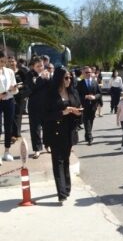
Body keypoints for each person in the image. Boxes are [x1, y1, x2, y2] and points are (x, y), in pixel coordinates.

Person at [44, 67, 82, 204]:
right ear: (59, 78)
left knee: (66, 159)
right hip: (55, 131)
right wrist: (63, 112)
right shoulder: (50, 94)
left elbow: (79, 109)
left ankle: (66, 187)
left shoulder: (73, 92)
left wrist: (78, 112)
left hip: (69, 131)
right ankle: (61, 192)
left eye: (70, 78)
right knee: (57, 161)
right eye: (66, 78)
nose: (69, 80)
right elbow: (45, 116)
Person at [25, 56, 50, 158]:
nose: (40, 68)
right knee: (35, 128)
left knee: (48, 127)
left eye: (42, 65)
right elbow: (32, 88)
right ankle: (37, 149)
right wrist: (41, 78)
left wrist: (48, 78)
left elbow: (51, 87)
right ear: (33, 67)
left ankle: (48, 145)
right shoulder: (29, 75)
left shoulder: (47, 73)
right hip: (34, 106)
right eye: (38, 66)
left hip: (46, 105)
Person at [0, 51, 19, 163]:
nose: (3, 63)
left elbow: (15, 90)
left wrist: (13, 88)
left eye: (4, 61)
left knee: (9, 126)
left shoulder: (10, 71)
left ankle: (7, 151)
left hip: (9, 100)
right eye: (1, 61)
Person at [77, 66, 102, 145]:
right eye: (86, 72)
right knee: (86, 120)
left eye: (89, 72)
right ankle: (90, 137)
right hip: (84, 105)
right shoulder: (80, 83)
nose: (88, 74)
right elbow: (77, 95)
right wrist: (85, 96)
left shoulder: (95, 82)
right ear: (83, 73)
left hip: (93, 105)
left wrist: (94, 97)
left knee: (91, 120)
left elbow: (99, 93)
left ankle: (87, 134)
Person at [7, 56, 27, 143]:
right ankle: (13, 134)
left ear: (16, 62)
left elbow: (26, 83)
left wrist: (18, 86)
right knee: (11, 115)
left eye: (13, 61)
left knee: (17, 115)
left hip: (20, 96)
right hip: (10, 95)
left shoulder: (21, 71)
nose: (11, 63)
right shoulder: (7, 72)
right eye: (9, 61)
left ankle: (16, 133)